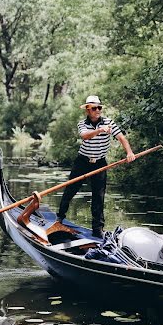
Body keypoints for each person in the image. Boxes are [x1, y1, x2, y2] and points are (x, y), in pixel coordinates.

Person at [57, 95, 135, 238]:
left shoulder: (109, 123)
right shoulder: (82, 124)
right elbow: (85, 136)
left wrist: (129, 152)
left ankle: (97, 229)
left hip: (99, 163)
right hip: (82, 162)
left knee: (98, 196)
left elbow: (122, 138)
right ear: (88, 110)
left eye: (99, 107)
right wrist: (99, 130)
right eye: (94, 108)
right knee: (70, 189)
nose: (98, 110)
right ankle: (60, 217)